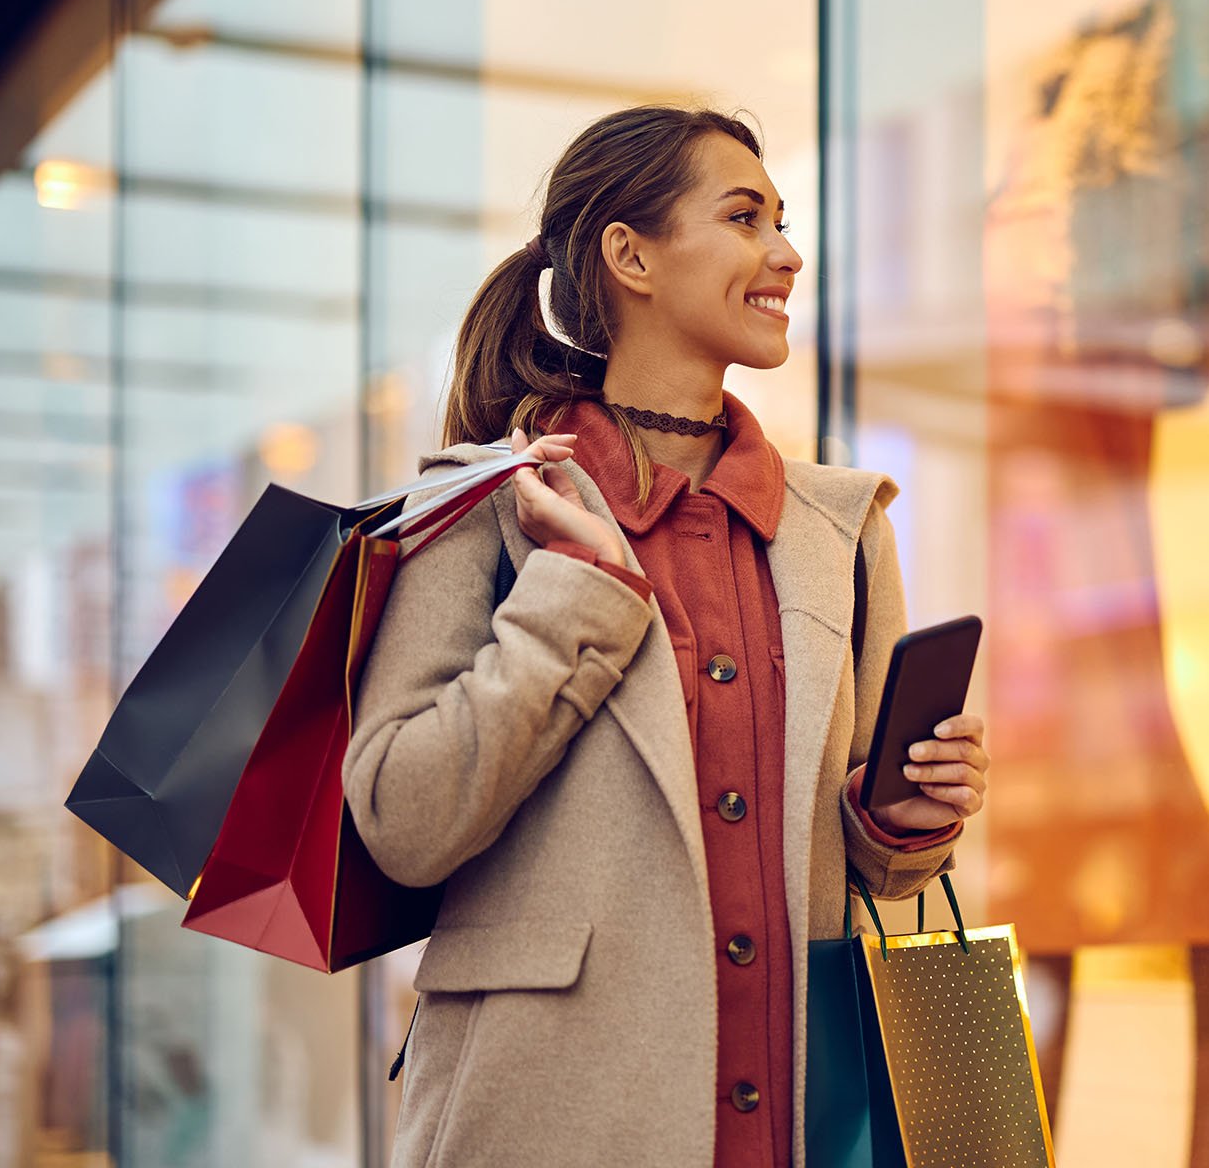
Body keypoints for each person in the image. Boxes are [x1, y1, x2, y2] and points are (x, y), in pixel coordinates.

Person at [341, 105, 989, 1168]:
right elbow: (403, 821)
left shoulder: (843, 531)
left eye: (781, 221)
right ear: (630, 256)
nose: (786, 254)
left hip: (794, 1121)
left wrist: (902, 819)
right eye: (743, 218)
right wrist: (577, 596)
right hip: (550, 1118)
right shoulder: (486, 505)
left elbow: (869, 865)